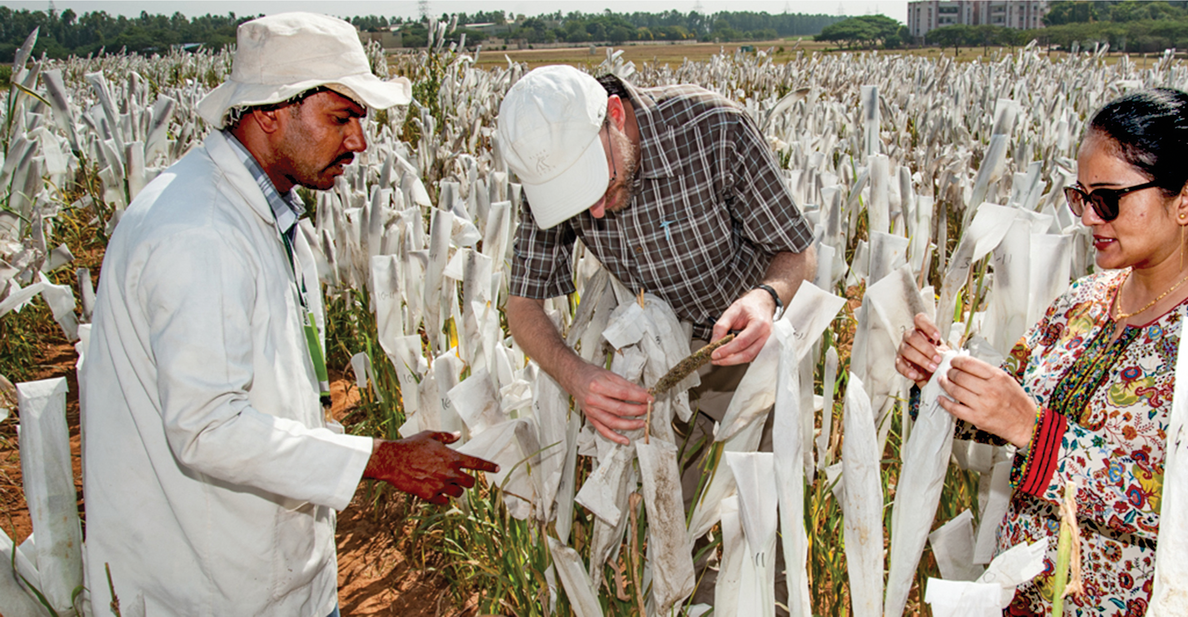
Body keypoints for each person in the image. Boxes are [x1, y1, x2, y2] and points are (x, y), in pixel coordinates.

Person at [80, 13, 496, 617]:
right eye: (340, 118)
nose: (359, 142)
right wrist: (381, 461)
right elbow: (206, 428)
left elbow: (269, 401)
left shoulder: (260, 214)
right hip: (212, 589)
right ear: (269, 112)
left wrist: (373, 448)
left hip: (262, 574)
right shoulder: (200, 232)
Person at [896, 88, 1188, 615]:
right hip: (1026, 595)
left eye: (1107, 199)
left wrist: (1034, 431)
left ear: (1187, 200)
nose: (1088, 217)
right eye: (1079, 196)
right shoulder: (1087, 299)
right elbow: (1006, 409)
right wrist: (942, 375)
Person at [496, 64, 814, 448]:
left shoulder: (715, 128)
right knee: (680, 503)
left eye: (599, 181)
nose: (594, 211)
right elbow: (522, 306)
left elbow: (797, 250)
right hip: (657, 362)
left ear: (614, 115)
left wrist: (766, 296)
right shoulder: (550, 180)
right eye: (575, 201)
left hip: (750, 344)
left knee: (761, 493)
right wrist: (575, 375)